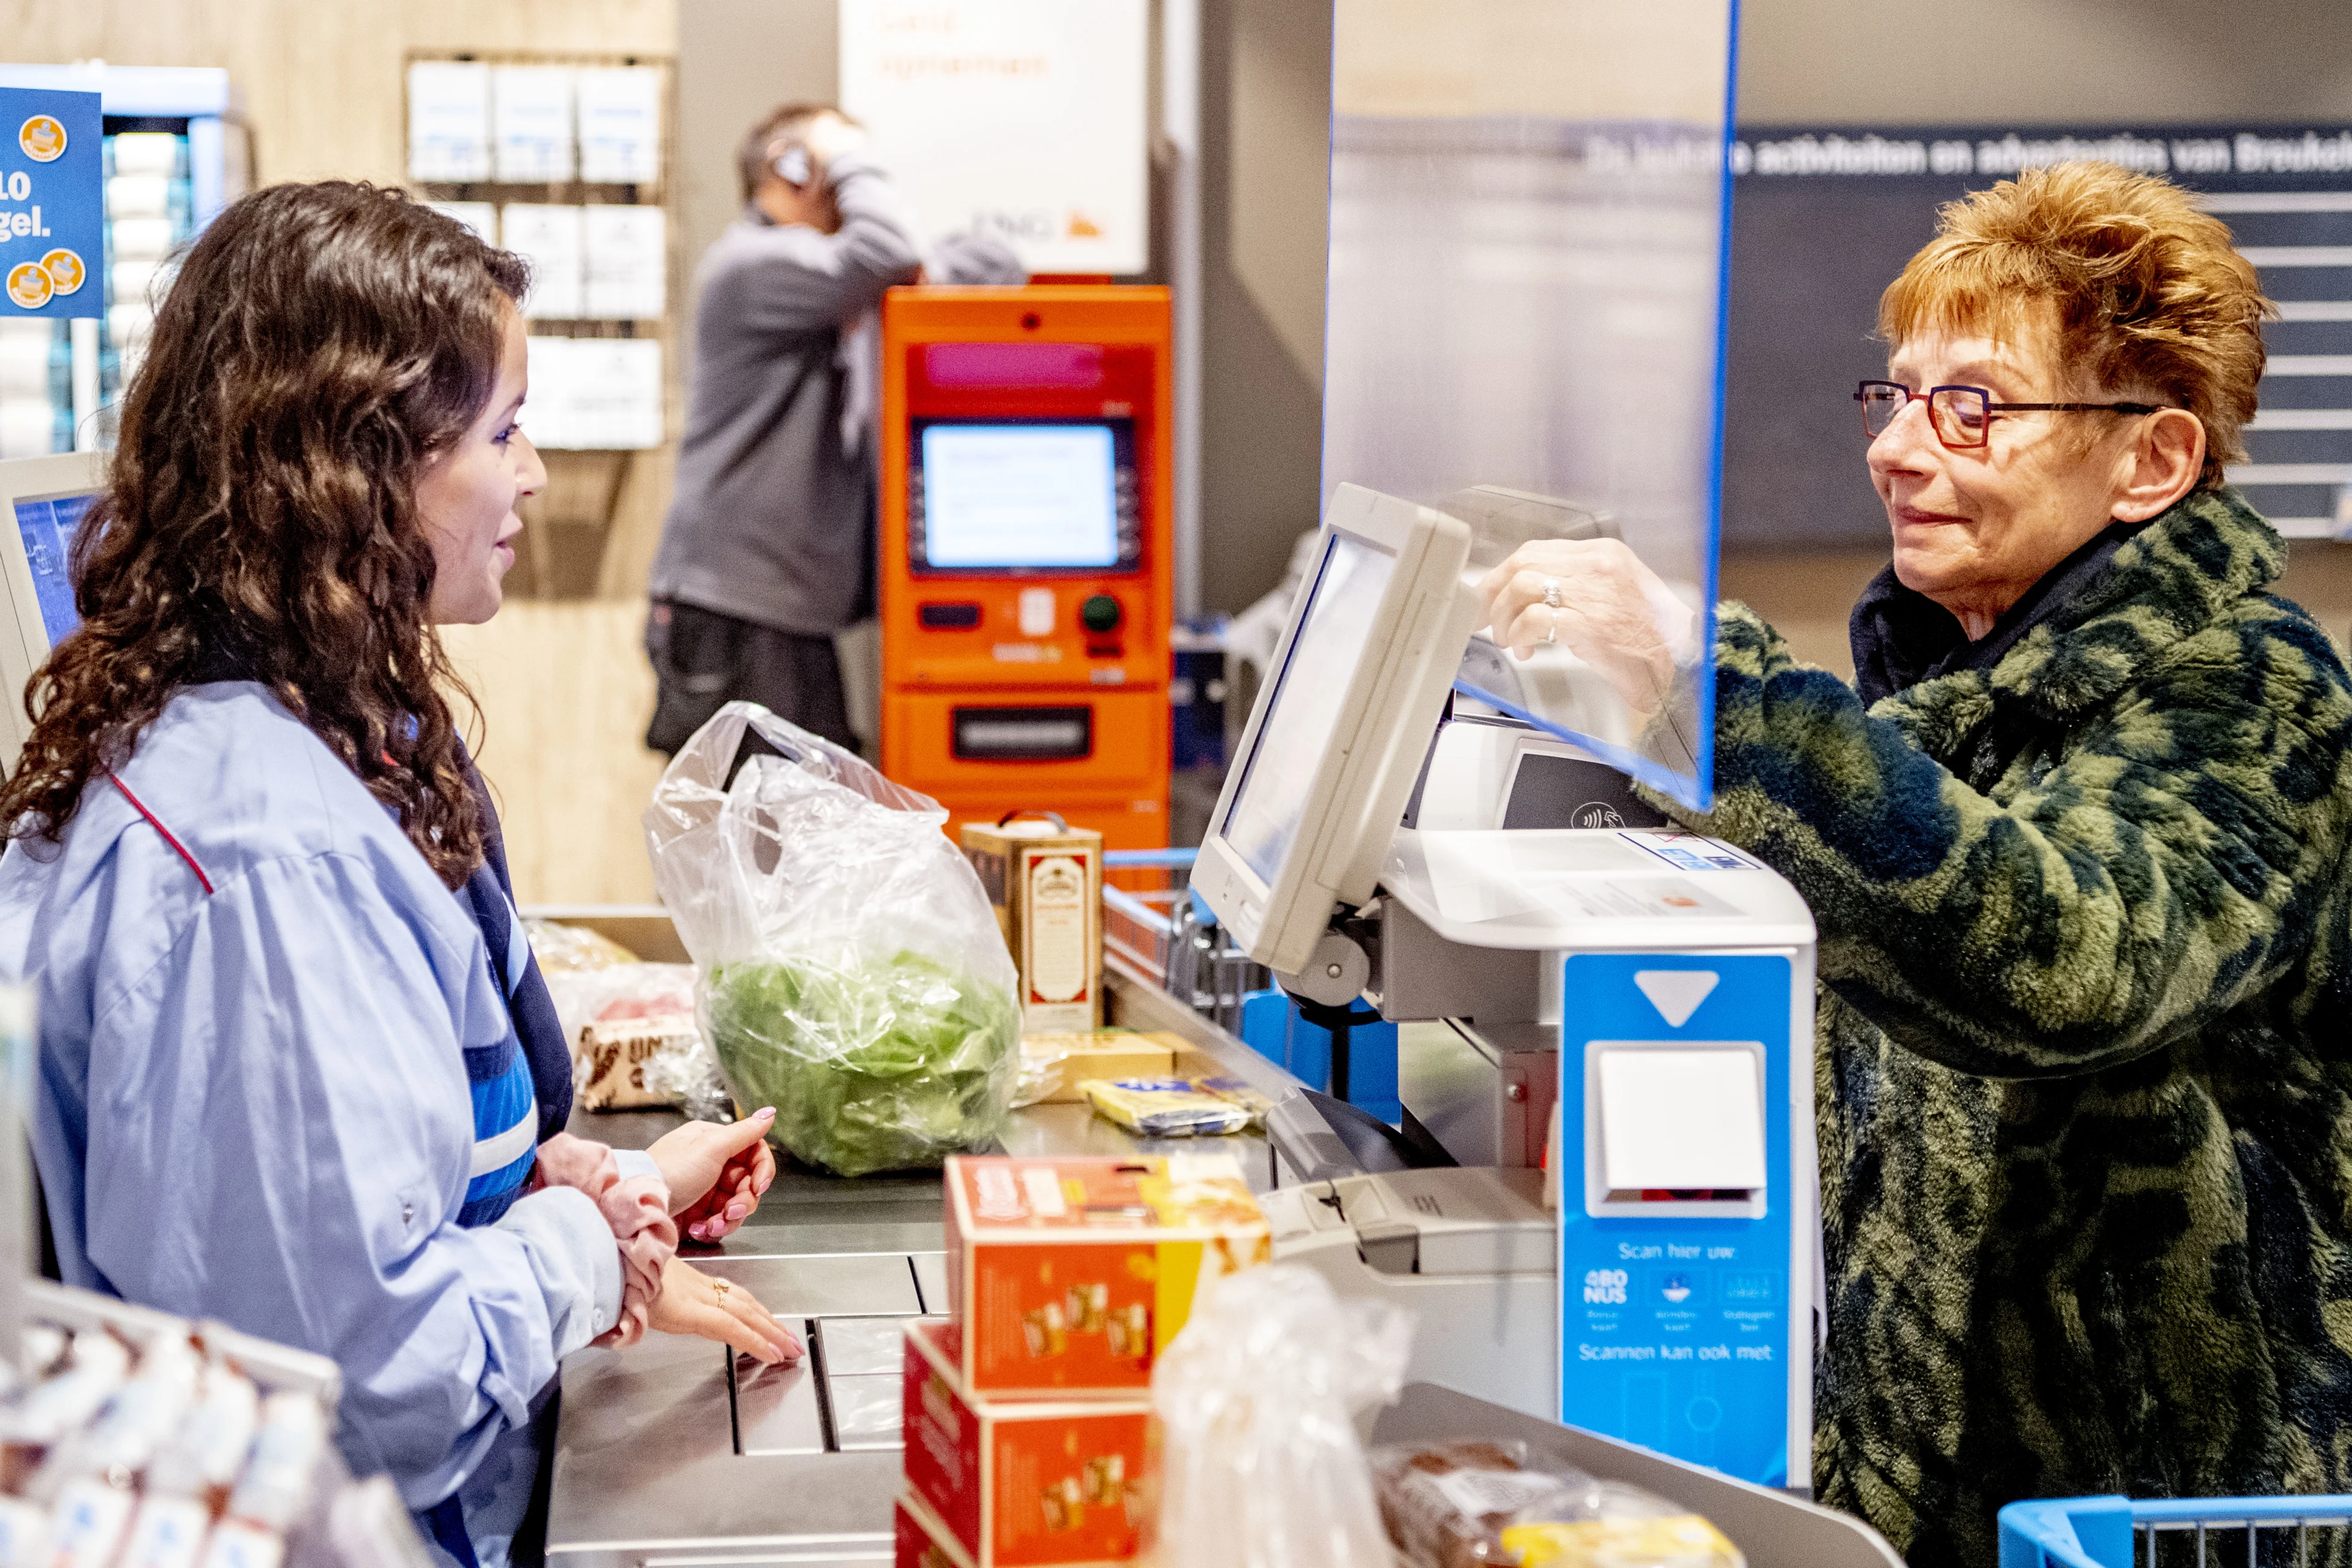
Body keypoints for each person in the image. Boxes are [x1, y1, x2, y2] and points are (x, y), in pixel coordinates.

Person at [1480, 163, 2352, 1565]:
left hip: (2155, 1515)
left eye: (1973, 406)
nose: (1896, 447)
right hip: (1929, 1494)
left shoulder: (2254, 698)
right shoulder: (1959, 689)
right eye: (1893, 395)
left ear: (2151, 460)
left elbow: (2062, 955)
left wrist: (1707, 680)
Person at [0, 183, 804, 1568]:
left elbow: (340, 1195)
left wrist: (600, 1191)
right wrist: (582, 1246)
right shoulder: (262, 864)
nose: (534, 472)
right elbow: (365, 1381)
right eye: (502, 431)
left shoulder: (283, 739)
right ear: (358, 471)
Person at [644, 103, 1019, 755]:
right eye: (843, 168)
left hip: (783, 610)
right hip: (741, 608)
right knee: (760, 837)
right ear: (793, 168)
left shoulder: (830, 278)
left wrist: (907, 262)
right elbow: (890, 251)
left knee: (811, 829)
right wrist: (844, 157)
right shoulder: (752, 265)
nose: (856, 187)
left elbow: (995, 268)